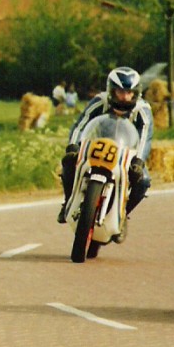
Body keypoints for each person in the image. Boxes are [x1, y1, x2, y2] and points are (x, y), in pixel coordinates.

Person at [57, 67, 154, 228]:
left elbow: (145, 136)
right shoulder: (100, 101)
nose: (124, 97)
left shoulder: (142, 110)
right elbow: (80, 125)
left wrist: (138, 161)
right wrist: (73, 146)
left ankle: (123, 214)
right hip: (96, 146)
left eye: (129, 92)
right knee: (69, 163)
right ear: (111, 90)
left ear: (136, 92)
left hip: (127, 152)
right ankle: (68, 202)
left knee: (143, 181)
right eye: (120, 92)